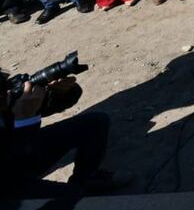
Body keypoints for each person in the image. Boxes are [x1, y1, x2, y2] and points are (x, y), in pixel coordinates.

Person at [0, 72, 131, 198]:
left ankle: (86, 179)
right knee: (73, 197)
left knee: (95, 123)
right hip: (8, 175)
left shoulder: (4, 94)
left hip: (18, 147)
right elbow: (16, 164)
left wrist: (58, 92)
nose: (6, 94)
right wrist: (24, 121)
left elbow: (51, 106)